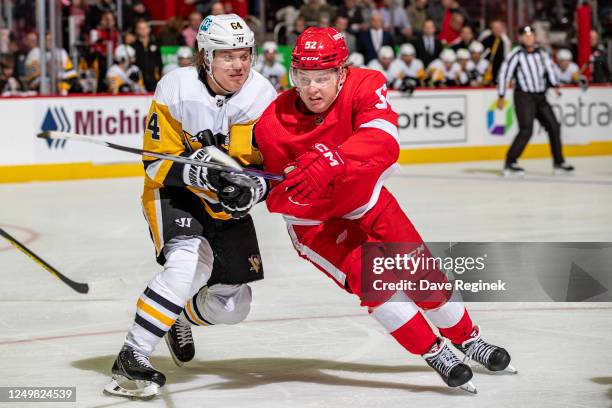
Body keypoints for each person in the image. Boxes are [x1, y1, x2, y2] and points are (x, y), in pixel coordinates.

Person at [254, 26, 515, 393]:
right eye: (304, 77)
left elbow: (385, 142)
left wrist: (335, 160)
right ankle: (434, 349)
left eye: (323, 77)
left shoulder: (366, 84)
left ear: (342, 72)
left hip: (368, 201)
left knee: (421, 273)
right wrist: (274, 188)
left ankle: (468, 339)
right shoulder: (271, 124)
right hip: (316, 223)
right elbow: (277, 199)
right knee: (372, 278)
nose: (313, 89)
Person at [104, 14, 277, 399]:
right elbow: (154, 162)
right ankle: (130, 360)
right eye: (228, 56)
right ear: (206, 56)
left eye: (245, 54)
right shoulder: (175, 87)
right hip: (174, 193)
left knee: (235, 304)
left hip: (223, 207)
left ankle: (177, 313)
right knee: (189, 262)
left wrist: (252, 189)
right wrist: (200, 174)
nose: (239, 64)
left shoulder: (262, 94)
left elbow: (267, 166)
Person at [497, 25, 574, 176]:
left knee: (553, 126)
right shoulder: (516, 54)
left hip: (540, 96)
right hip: (524, 96)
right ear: (520, 38)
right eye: (525, 36)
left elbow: (549, 69)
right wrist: (501, 95)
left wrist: (555, 85)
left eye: (531, 35)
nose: (529, 38)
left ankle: (559, 163)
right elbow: (504, 74)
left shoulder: (542, 53)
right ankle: (510, 162)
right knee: (526, 130)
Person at [132, 19, 163, 92]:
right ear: (136, 30)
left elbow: (160, 63)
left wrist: (159, 77)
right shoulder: (133, 46)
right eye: (140, 28)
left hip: (154, 80)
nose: (143, 30)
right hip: (138, 81)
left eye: (145, 28)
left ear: (149, 29)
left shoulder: (155, 44)